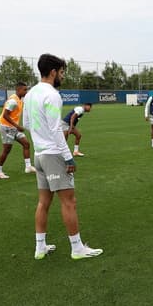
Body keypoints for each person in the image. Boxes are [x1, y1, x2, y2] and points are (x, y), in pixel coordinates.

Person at [23, 54, 102, 260]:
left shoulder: (30, 94)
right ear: (53, 72)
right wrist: (68, 157)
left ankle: (40, 247)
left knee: (43, 202)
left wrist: (40, 142)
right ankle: (77, 248)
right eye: (62, 72)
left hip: (39, 155)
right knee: (69, 202)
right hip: (53, 155)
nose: (63, 76)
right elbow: (57, 131)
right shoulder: (52, 95)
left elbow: (28, 124)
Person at [0, 82, 36, 179]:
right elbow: (5, 115)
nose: (26, 91)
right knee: (6, 150)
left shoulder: (19, 99)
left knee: (26, 144)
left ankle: (28, 167)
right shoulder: (13, 101)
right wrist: (17, 126)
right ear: (18, 90)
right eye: (24, 90)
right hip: (7, 127)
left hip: (13, 128)